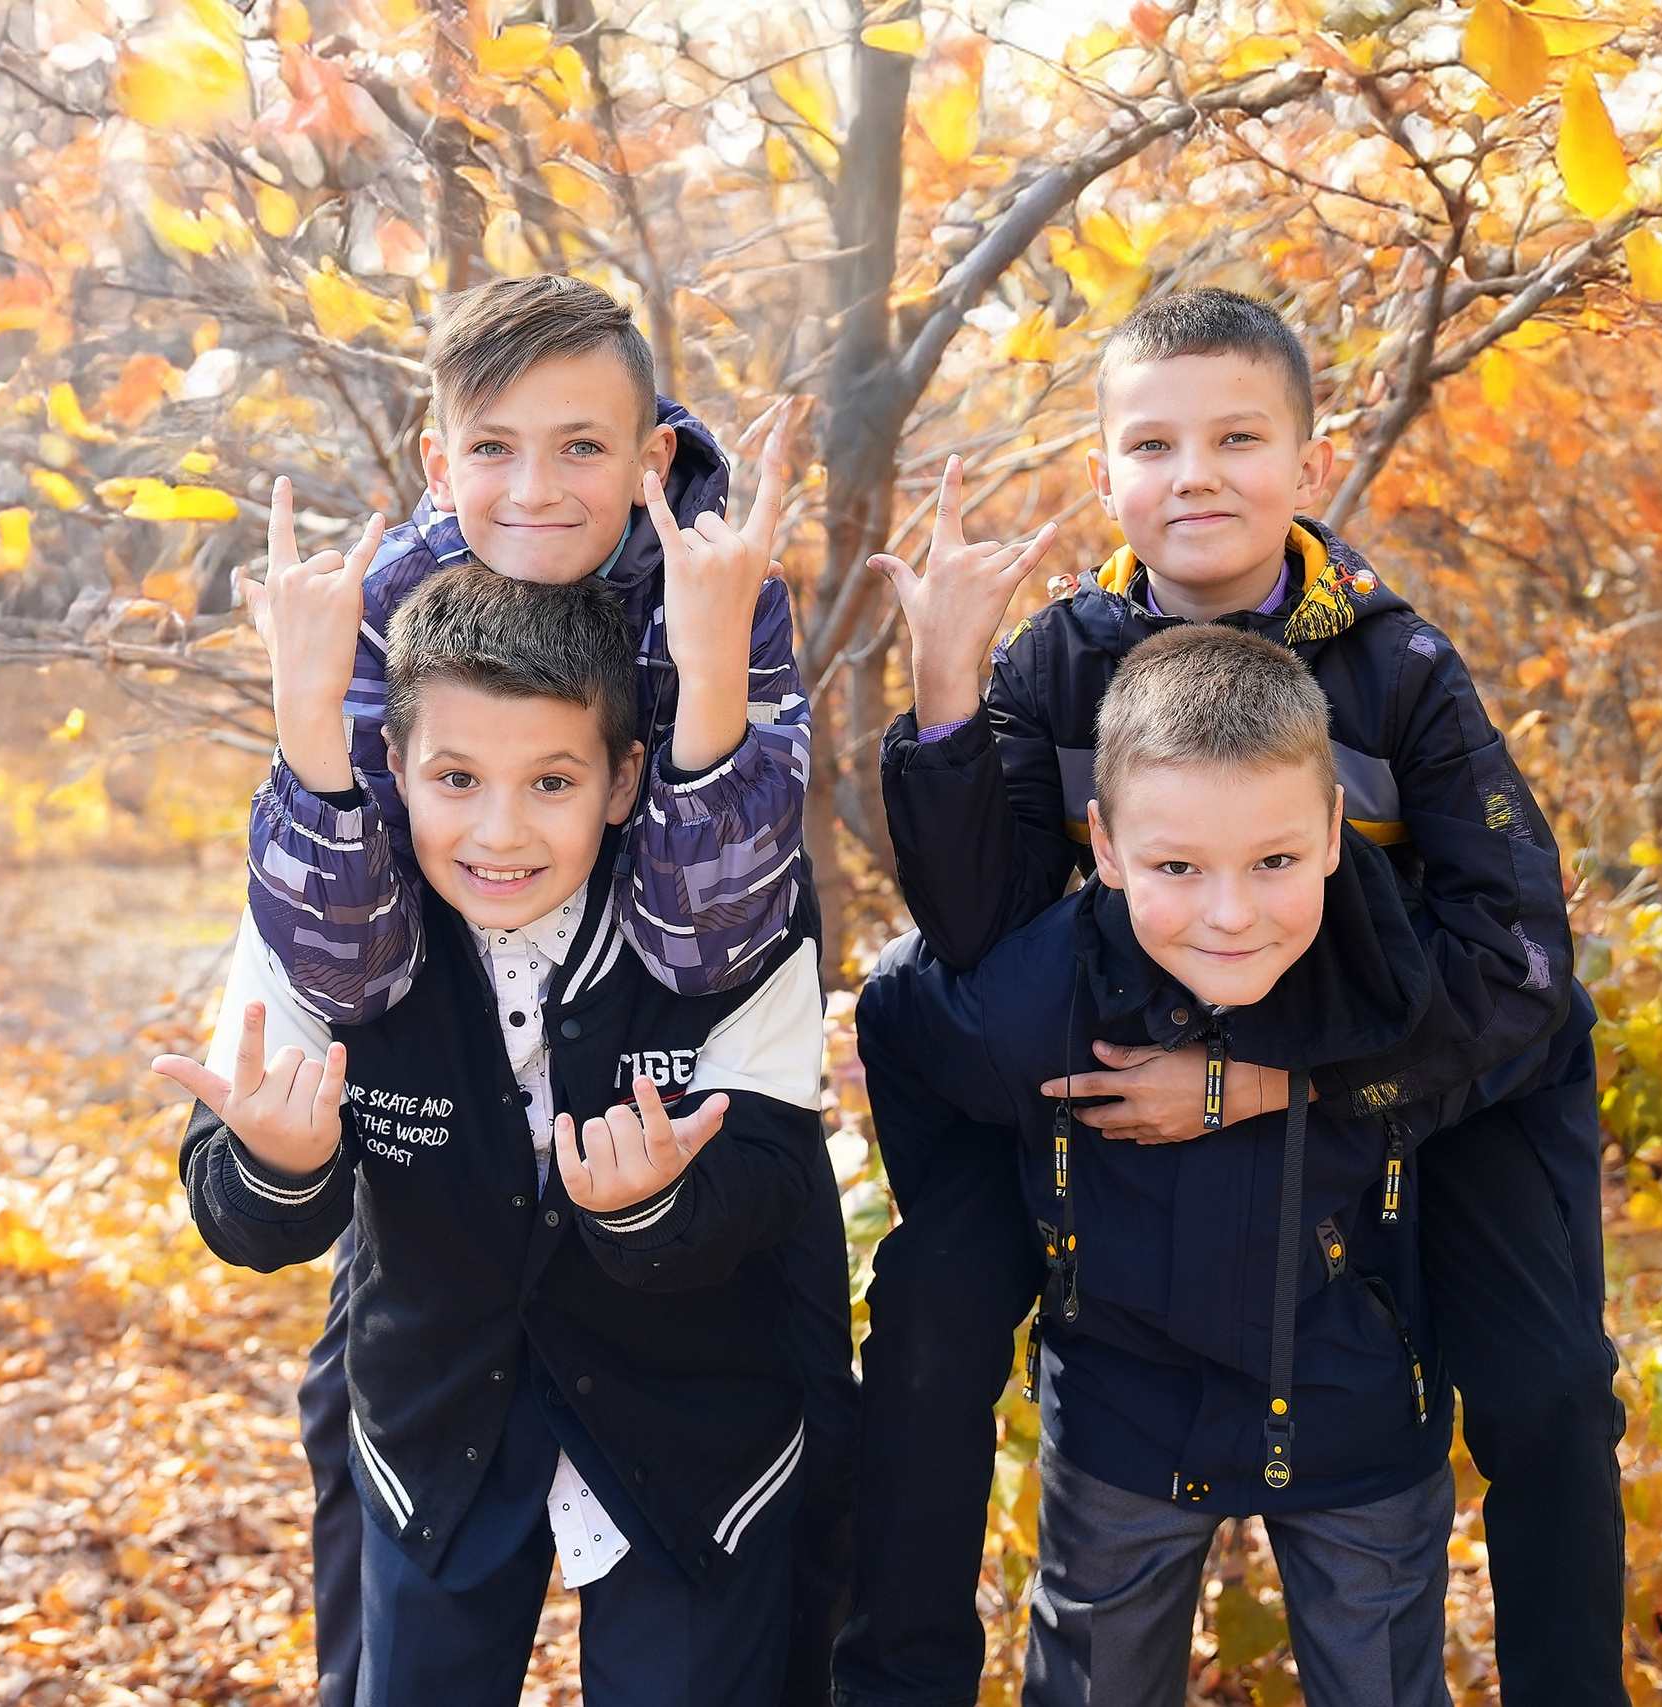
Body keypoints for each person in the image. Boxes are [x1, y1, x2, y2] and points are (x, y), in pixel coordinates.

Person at [838, 288, 1623, 1707]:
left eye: (1238, 437)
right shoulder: (1060, 657)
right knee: (932, 1317)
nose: (1194, 472)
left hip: (1414, 1068)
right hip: (1135, 1050)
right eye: (1154, 443)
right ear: (1107, 474)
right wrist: (945, 682)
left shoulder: (1401, 670)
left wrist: (1286, 1087)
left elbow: (1517, 958)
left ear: (1307, 464)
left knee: (1550, 1381)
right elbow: (975, 927)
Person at [241, 275, 853, 1705]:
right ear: (437, 456)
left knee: (760, 1537)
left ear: (647, 456)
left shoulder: (716, 582)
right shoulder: (391, 602)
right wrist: (312, 740)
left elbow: (713, 940)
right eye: (496, 446)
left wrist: (706, 681)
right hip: (456, 1147)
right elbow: (359, 937)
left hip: (671, 1095)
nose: (537, 488)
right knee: (381, 1469)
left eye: (584, 446)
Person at [161, 567, 829, 1707]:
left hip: (689, 1420)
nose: (501, 830)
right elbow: (246, 1217)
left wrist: (653, 1208)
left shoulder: (729, 901)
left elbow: (771, 1172)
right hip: (436, 1415)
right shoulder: (323, 911)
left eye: (551, 781)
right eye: (456, 779)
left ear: (623, 780)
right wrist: (280, 1165)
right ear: (396, 773)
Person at [863, 625, 1453, 1706]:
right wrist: (995, 1219)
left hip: (1352, 1400)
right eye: (1177, 867)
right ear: (1109, 846)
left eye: (1273, 861)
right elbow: (898, 1021)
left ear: (1332, 833)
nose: (1231, 916)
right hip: (1123, 1418)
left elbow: (1512, 1041)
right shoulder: (1039, 995)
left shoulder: (1399, 955)